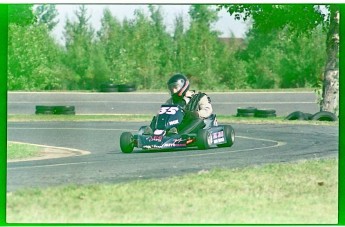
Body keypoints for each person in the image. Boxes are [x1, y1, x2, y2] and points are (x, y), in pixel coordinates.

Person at [144, 73, 213, 135]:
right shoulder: (171, 101)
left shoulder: (200, 97)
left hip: (192, 123)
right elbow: (163, 112)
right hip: (174, 124)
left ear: (183, 86)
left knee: (198, 120)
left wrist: (196, 113)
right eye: (171, 88)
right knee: (159, 117)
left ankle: (180, 135)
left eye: (175, 88)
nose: (173, 91)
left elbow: (207, 111)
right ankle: (151, 133)